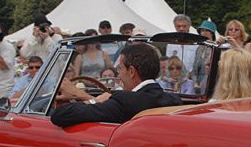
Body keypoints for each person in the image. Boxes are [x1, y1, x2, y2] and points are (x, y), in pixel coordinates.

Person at [50, 43, 182, 127]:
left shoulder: (123, 101)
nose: (118, 76)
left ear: (131, 71)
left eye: (120, 70)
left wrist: (92, 100)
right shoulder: (174, 100)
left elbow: (59, 115)